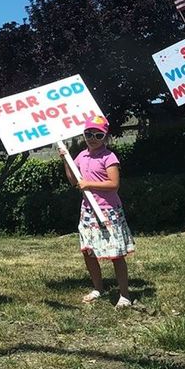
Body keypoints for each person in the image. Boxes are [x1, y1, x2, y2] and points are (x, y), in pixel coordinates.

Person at [60, 115, 134, 308]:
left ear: (105, 137)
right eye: (88, 133)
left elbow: (114, 184)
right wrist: (66, 161)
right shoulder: (81, 156)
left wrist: (89, 184)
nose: (92, 138)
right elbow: (74, 181)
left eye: (98, 135)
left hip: (109, 211)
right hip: (88, 211)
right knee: (88, 251)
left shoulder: (109, 157)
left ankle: (124, 294)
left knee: (116, 254)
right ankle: (98, 288)